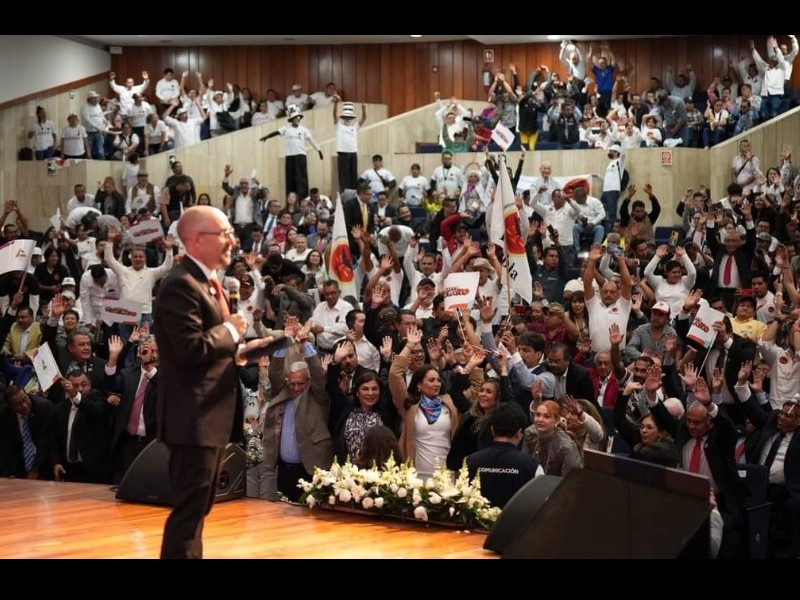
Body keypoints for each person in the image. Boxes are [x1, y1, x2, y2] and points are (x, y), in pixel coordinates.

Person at [154, 206, 250, 559]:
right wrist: (231, 331)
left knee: (197, 511)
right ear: (196, 239)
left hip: (207, 417)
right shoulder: (180, 285)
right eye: (224, 234)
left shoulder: (206, 282)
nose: (232, 241)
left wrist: (242, 350)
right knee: (189, 513)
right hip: (192, 418)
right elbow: (190, 348)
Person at [466, 403, 544, 509]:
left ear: (492, 430)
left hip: (476, 519)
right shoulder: (533, 466)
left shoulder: (470, 461)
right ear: (520, 432)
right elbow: (539, 505)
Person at [259, 105, 322, 200]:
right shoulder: (286, 129)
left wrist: (318, 150)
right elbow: (276, 132)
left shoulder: (304, 129)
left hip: (300, 156)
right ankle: (291, 200)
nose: (297, 119)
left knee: (302, 179)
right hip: (290, 156)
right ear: (291, 119)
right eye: (295, 118)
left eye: (298, 117)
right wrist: (266, 137)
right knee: (290, 179)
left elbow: (311, 140)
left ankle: (303, 200)